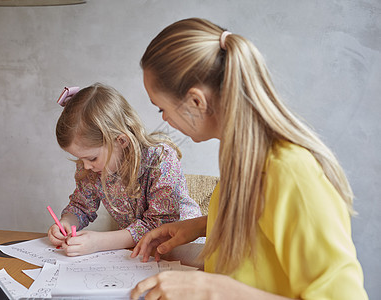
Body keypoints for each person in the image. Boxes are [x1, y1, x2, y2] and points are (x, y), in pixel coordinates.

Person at [130, 18, 367, 299]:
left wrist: (211, 289)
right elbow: (264, 224)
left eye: (161, 109)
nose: (165, 120)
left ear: (196, 101)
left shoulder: (291, 172)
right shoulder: (242, 160)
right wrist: (204, 225)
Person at [48, 83, 202, 257]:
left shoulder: (161, 160)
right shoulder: (92, 170)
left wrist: (99, 242)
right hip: (141, 254)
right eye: (80, 159)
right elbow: (81, 206)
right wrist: (66, 223)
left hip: (185, 250)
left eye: (91, 158)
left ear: (121, 141)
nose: (85, 166)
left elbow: (159, 227)